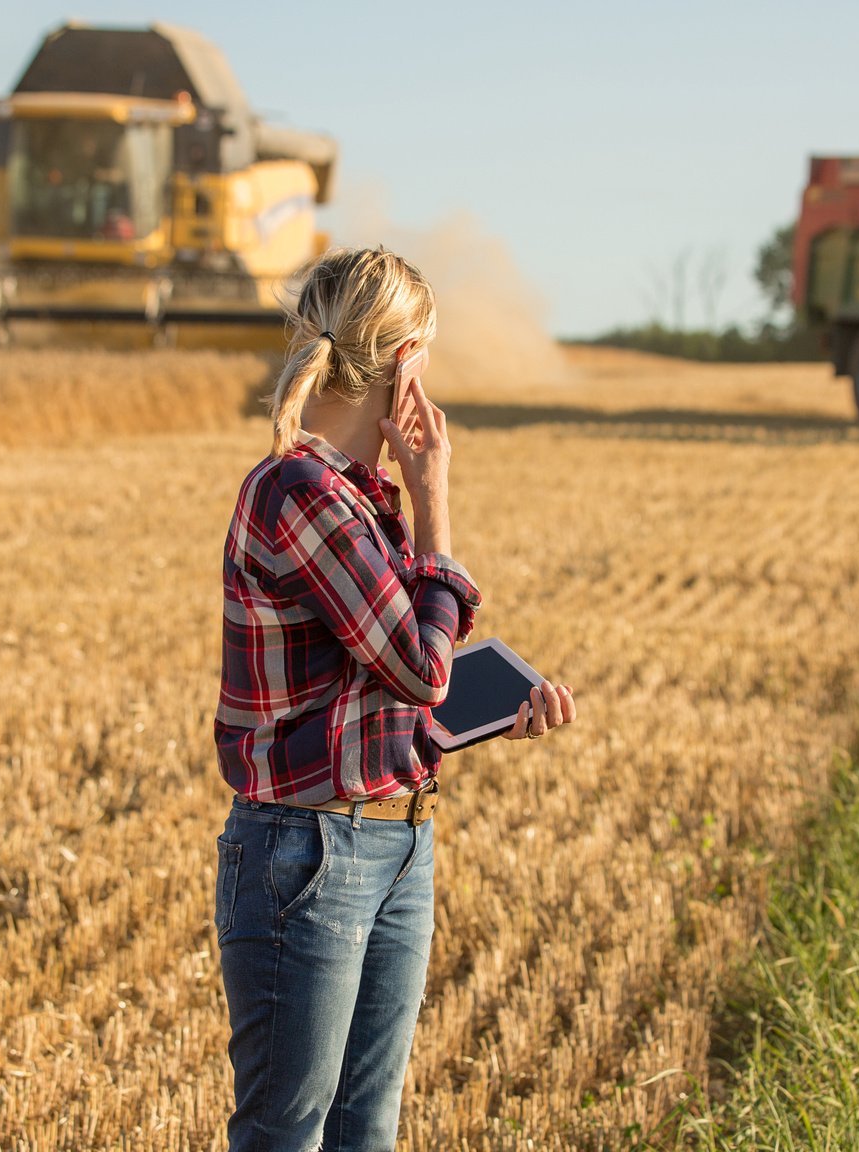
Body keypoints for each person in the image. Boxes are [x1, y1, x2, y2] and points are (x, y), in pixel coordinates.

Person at [213, 247, 576, 1151]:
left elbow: (388, 690)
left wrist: (492, 709)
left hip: (395, 837)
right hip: (310, 854)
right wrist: (435, 495)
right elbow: (419, 665)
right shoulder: (299, 491)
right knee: (284, 1137)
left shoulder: (359, 499)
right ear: (407, 358)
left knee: (364, 1135)